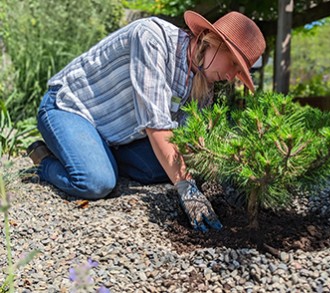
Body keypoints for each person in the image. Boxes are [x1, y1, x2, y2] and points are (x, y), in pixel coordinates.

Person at [27, 10, 266, 232]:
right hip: (72, 109)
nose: (232, 75)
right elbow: (157, 124)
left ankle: (96, 154)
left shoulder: (203, 83)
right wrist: (188, 189)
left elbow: (188, 142)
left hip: (119, 131)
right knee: (96, 182)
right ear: (212, 42)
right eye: (234, 64)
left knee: (157, 170)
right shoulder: (152, 38)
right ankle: (45, 160)